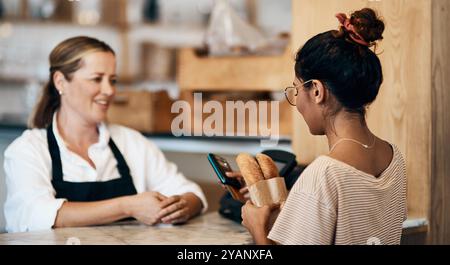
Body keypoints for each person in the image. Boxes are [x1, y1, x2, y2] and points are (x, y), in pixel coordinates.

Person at [3, 36, 207, 233]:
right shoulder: (28, 149)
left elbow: (192, 193)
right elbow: (34, 214)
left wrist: (182, 207)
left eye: (113, 80)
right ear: (60, 81)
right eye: (96, 79)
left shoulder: (132, 143)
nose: (109, 90)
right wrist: (126, 206)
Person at [238, 8, 407, 245]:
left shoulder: (324, 174)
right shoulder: (395, 159)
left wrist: (257, 226)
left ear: (316, 91)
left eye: (296, 91)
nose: (296, 102)